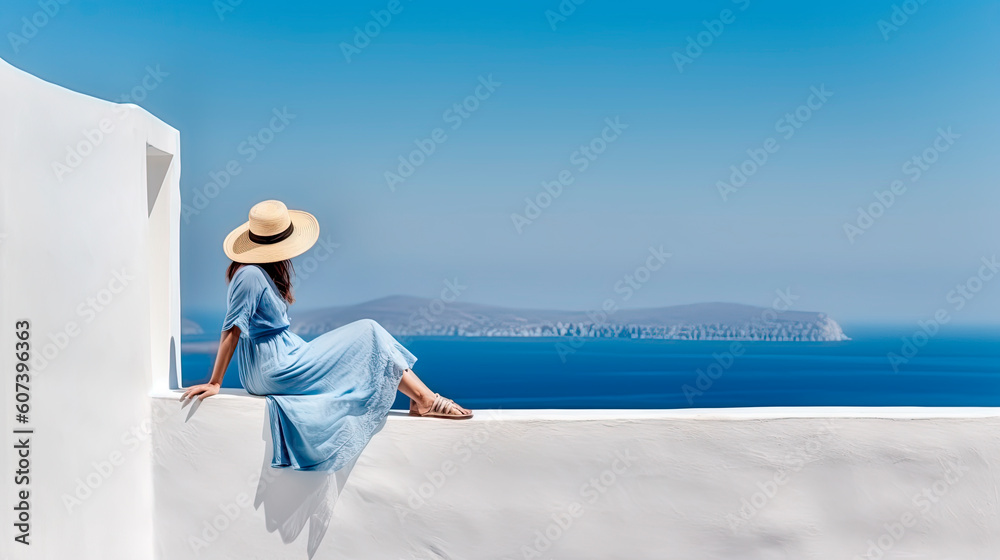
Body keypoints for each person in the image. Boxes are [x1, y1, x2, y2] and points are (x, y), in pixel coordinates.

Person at [181, 199, 472, 471]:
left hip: (279, 359)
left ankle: (423, 399)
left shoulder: (258, 272)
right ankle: (425, 400)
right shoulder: (251, 275)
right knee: (369, 331)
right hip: (275, 367)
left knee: (369, 338)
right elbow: (232, 328)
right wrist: (216, 381)